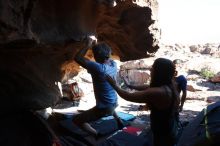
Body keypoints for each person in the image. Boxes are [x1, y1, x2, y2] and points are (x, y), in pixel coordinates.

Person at [106, 58, 180, 146]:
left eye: (153, 67)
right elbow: (147, 87)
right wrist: (130, 85)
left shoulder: (158, 92)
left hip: (163, 134)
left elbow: (127, 96)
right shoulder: (170, 86)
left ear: (159, 72)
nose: (150, 69)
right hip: (170, 128)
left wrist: (114, 85)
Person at [73, 35, 123, 138]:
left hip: (104, 108)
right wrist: (95, 45)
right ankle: (119, 120)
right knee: (110, 104)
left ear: (96, 57)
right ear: (108, 55)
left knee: (76, 120)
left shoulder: (98, 68)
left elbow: (77, 58)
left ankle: (97, 135)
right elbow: (104, 55)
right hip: (114, 102)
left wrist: (87, 45)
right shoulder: (113, 65)